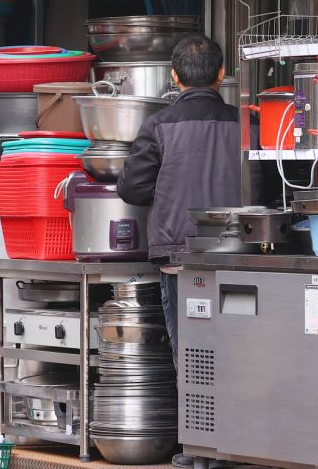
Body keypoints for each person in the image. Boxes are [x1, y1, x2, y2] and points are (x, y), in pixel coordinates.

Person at [117, 34, 241, 469]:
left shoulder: (158, 125)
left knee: (190, 353)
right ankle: (233, 446)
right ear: (221, 75)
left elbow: (132, 188)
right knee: (238, 350)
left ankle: (199, 449)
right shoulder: (244, 123)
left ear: (174, 77)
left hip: (179, 258)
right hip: (240, 255)